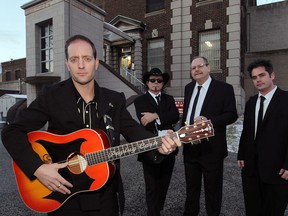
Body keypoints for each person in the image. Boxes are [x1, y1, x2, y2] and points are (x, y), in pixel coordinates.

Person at [1, 34, 181, 216]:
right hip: (64, 195)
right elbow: (11, 132)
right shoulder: (52, 96)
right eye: (74, 59)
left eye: (87, 58)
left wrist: (160, 145)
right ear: (67, 63)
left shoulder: (114, 100)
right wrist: (37, 168)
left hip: (106, 197)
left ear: (96, 62)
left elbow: (135, 132)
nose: (81, 65)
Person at [181, 56, 238, 215]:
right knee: (191, 189)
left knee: (212, 190)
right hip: (190, 148)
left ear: (208, 67)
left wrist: (209, 121)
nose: (197, 70)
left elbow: (232, 114)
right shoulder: (188, 88)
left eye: (200, 66)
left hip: (212, 149)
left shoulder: (224, 88)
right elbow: (187, 115)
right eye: (193, 68)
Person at [237, 59, 288, 215]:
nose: (258, 80)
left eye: (262, 75)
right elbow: (246, 131)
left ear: (272, 75)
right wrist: (241, 154)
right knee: (253, 210)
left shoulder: (286, 99)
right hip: (251, 170)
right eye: (254, 77)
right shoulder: (251, 102)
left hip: (278, 170)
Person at [134, 68, 179, 216]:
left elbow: (175, 117)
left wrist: (156, 116)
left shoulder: (169, 99)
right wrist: (161, 117)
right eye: (152, 80)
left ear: (163, 83)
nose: (156, 83)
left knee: (164, 183)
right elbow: (145, 122)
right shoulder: (140, 100)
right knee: (152, 186)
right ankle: (152, 213)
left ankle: (157, 209)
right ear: (147, 82)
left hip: (170, 147)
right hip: (150, 148)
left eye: (159, 81)